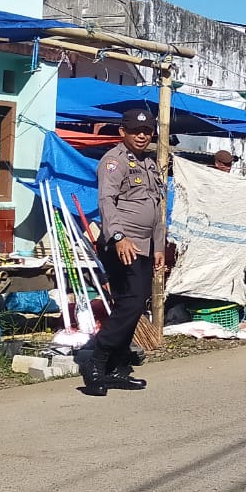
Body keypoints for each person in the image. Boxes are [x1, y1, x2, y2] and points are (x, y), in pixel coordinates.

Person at [86, 109, 166, 396]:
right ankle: (97, 361)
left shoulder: (150, 164)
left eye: (146, 131)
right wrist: (118, 237)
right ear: (123, 132)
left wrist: (158, 246)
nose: (142, 135)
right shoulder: (114, 161)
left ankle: (117, 367)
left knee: (133, 304)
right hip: (122, 245)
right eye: (136, 131)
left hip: (144, 247)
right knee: (130, 303)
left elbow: (156, 208)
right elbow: (106, 201)